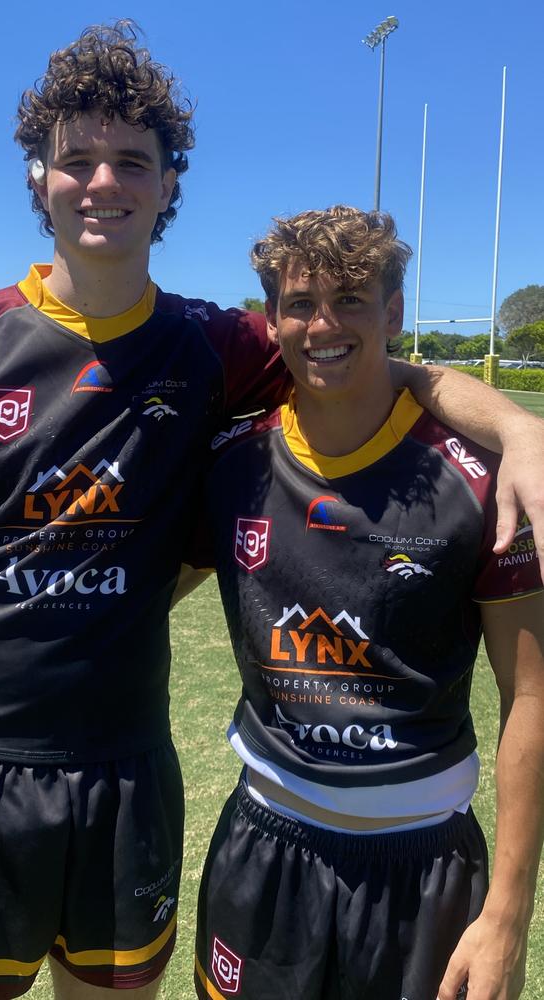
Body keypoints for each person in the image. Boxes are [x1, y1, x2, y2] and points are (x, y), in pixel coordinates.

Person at [0, 22, 542, 1000]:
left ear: (166, 183)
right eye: (76, 159)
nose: (102, 180)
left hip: (122, 762)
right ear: (38, 176)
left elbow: (371, 361)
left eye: (130, 160)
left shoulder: (214, 342)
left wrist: (518, 430)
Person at [190, 206, 544, 1000]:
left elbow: (532, 693)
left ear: (392, 311)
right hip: (263, 851)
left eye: (351, 299)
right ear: (272, 318)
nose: (325, 324)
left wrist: (510, 912)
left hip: (425, 867)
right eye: (300, 303)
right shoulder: (231, 463)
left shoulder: (478, 477)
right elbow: (143, 591)